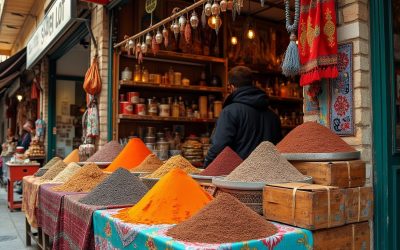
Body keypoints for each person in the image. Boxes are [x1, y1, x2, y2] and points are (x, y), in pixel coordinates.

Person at [204, 66, 282, 166]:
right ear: (252, 83)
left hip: (238, 176)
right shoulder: (273, 116)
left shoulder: (230, 112)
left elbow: (219, 146)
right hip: (268, 175)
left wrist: (207, 165)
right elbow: (278, 147)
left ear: (231, 87)